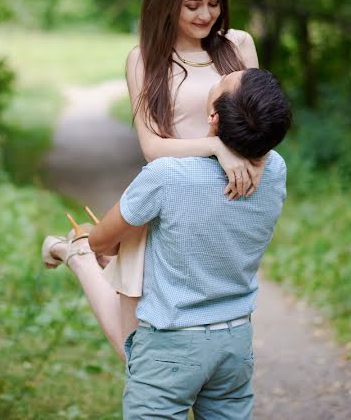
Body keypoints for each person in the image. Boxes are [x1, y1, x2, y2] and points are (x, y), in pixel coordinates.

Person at [42, 0, 264, 361]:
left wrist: (255, 160)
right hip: (169, 203)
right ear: (166, 4)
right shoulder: (144, 60)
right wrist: (217, 148)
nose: (206, 16)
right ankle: (79, 255)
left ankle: (80, 250)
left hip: (227, 205)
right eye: (192, 6)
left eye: (214, 4)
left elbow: (262, 119)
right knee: (135, 351)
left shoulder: (239, 45)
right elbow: (153, 146)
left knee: (211, 330)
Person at [89, 67, 292, 418]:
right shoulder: (274, 171)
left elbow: (99, 241)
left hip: (171, 343)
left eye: (222, 84)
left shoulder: (167, 177)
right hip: (235, 341)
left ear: (213, 119)